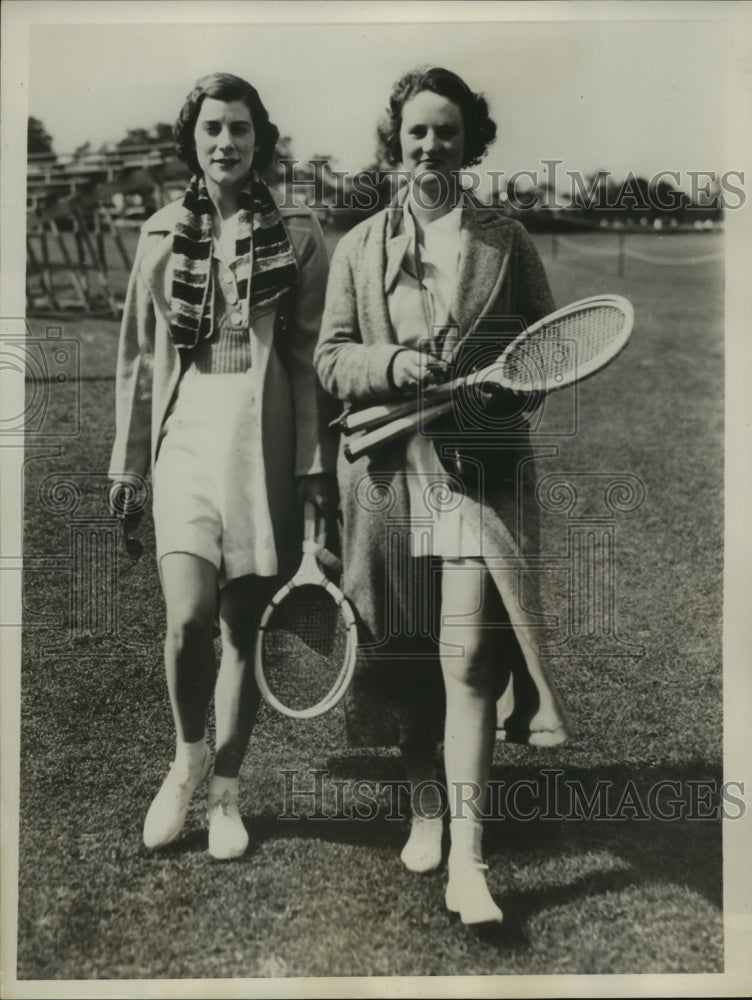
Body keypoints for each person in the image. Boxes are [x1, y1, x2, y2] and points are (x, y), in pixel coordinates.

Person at [315, 66, 568, 923]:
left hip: (479, 477)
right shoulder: (357, 248)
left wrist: (509, 391)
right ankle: (424, 799)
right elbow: (330, 359)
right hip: (386, 478)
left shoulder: (507, 238)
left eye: (448, 133)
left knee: (469, 658)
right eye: (417, 132)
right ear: (397, 142)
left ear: (470, 142)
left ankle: (470, 857)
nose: (431, 147)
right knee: (409, 652)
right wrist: (390, 365)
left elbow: (543, 354)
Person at [109, 72, 337, 860]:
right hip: (186, 443)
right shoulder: (160, 233)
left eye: (239, 129)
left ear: (259, 140)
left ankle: (229, 792)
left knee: (243, 626)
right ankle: (186, 761)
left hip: (263, 447)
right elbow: (140, 361)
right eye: (211, 129)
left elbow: (308, 361)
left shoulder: (302, 232)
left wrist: (313, 466)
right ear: (193, 140)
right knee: (188, 620)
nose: (225, 143)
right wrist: (127, 464)